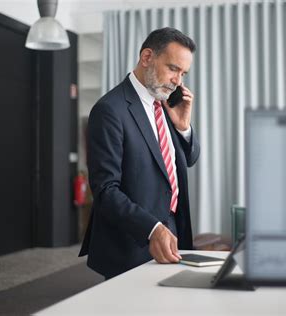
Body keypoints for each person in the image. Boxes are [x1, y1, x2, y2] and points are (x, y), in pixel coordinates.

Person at [79, 27, 200, 279]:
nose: (178, 81)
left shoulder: (166, 102)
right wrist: (152, 228)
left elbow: (188, 160)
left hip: (173, 230)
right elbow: (105, 190)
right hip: (133, 240)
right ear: (147, 57)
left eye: (183, 73)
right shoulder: (109, 110)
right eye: (173, 69)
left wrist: (184, 127)